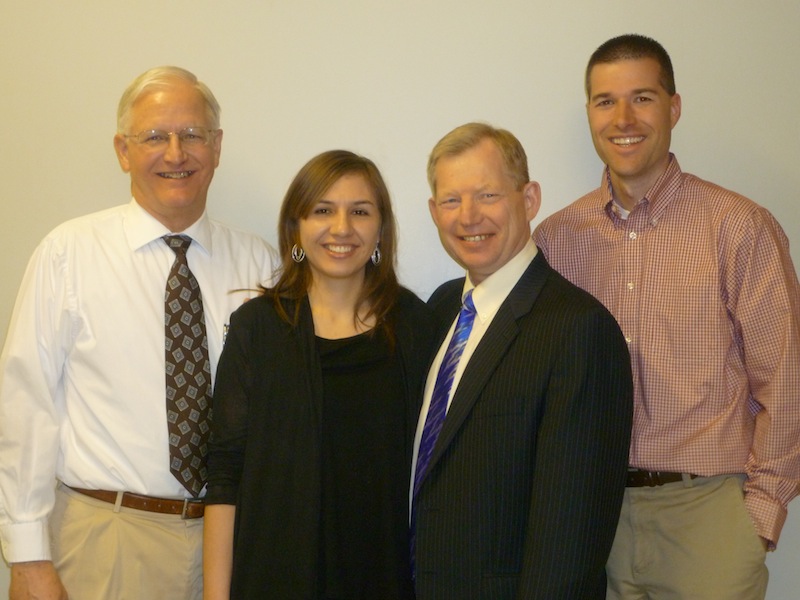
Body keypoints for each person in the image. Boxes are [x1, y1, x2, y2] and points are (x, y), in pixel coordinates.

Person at [533, 33, 800, 599]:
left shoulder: (738, 226)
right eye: (606, 101)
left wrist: (759, 513)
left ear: (674, 107)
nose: (623, 117)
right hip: (591, 517)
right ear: (589, 113)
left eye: (643, 97)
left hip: (705, 515)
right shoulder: (555, 241)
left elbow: (786, 375)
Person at [0, 66, 277, 600]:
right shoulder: (69, 253)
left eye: (192, 135)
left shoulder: (260, 264)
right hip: (108, 539)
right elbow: (25, 405)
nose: (176, 154)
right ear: (123, 150)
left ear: (216, 147)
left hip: (233, 546)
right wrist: (28, 555)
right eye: (154, 137)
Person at [411, 122, 633, 599]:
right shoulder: (439, 310)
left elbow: (572, 534)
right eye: (451, 200)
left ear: (529, 199)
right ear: (434, 212)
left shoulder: (578, 329)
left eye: (488, 195)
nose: (468, 216)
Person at [203, 149, 435, 599]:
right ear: (297, 227)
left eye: (360, 212)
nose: (342, 228)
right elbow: (226, 471)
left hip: (383, 576)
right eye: (323, 210)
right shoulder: (257, 328)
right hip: (275, 575)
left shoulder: (416, 325)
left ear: (381, 230)